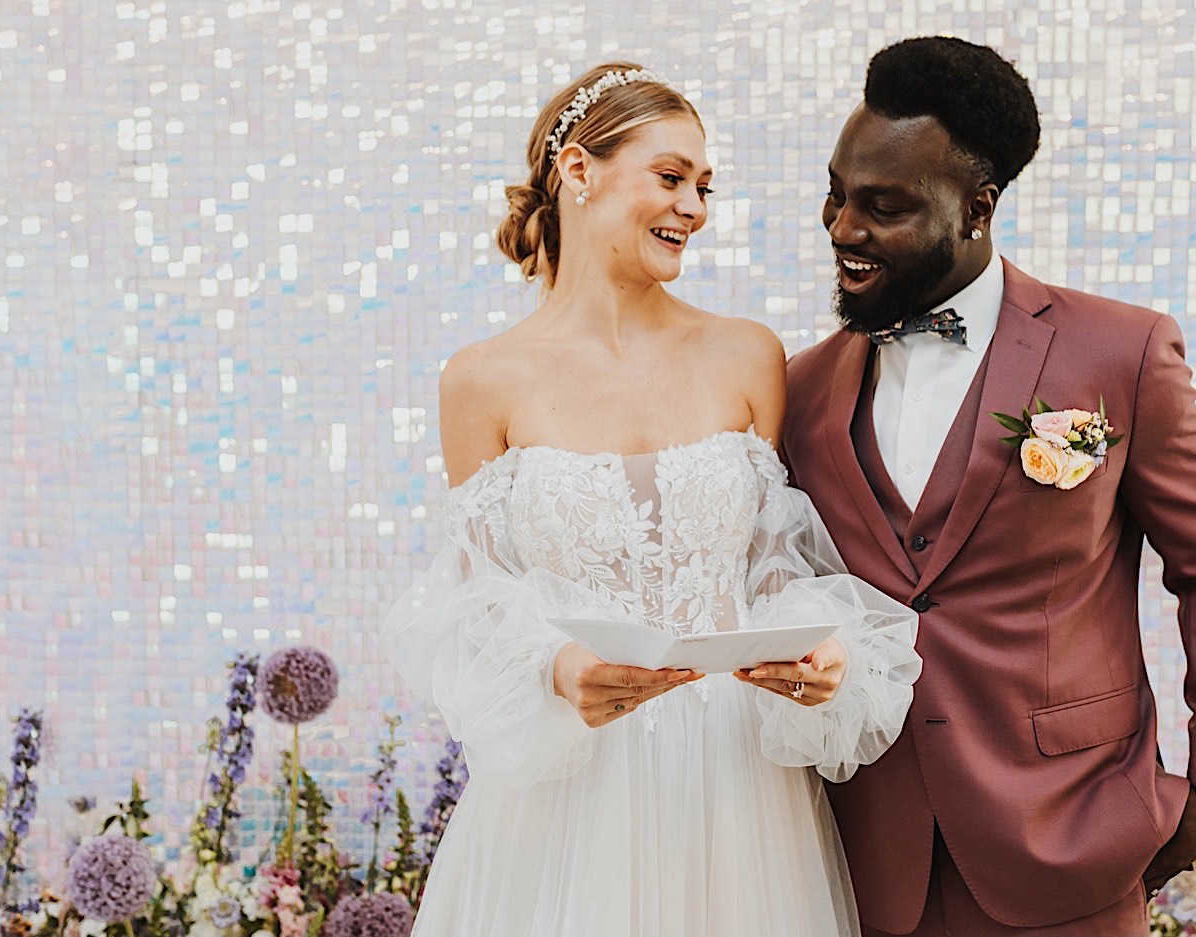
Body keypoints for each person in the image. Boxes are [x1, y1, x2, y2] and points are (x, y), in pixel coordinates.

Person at [379, 63, 922, 937]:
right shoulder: (481, 380)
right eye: (671, 178)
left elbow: (775, 562)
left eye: (704, 187)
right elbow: (479, 603)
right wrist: (559, 669)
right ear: (578, 173)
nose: (695, 209)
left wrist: (822, 655)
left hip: (737, 790)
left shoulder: (748, 357)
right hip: (566, 792)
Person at [779, 37, 1196, 937]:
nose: (843, 228)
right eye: (837, 193)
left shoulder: (1120, 353)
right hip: (856, 860)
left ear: (978, 208)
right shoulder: (800, 388)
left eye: (884, 207)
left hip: (1069, 838)